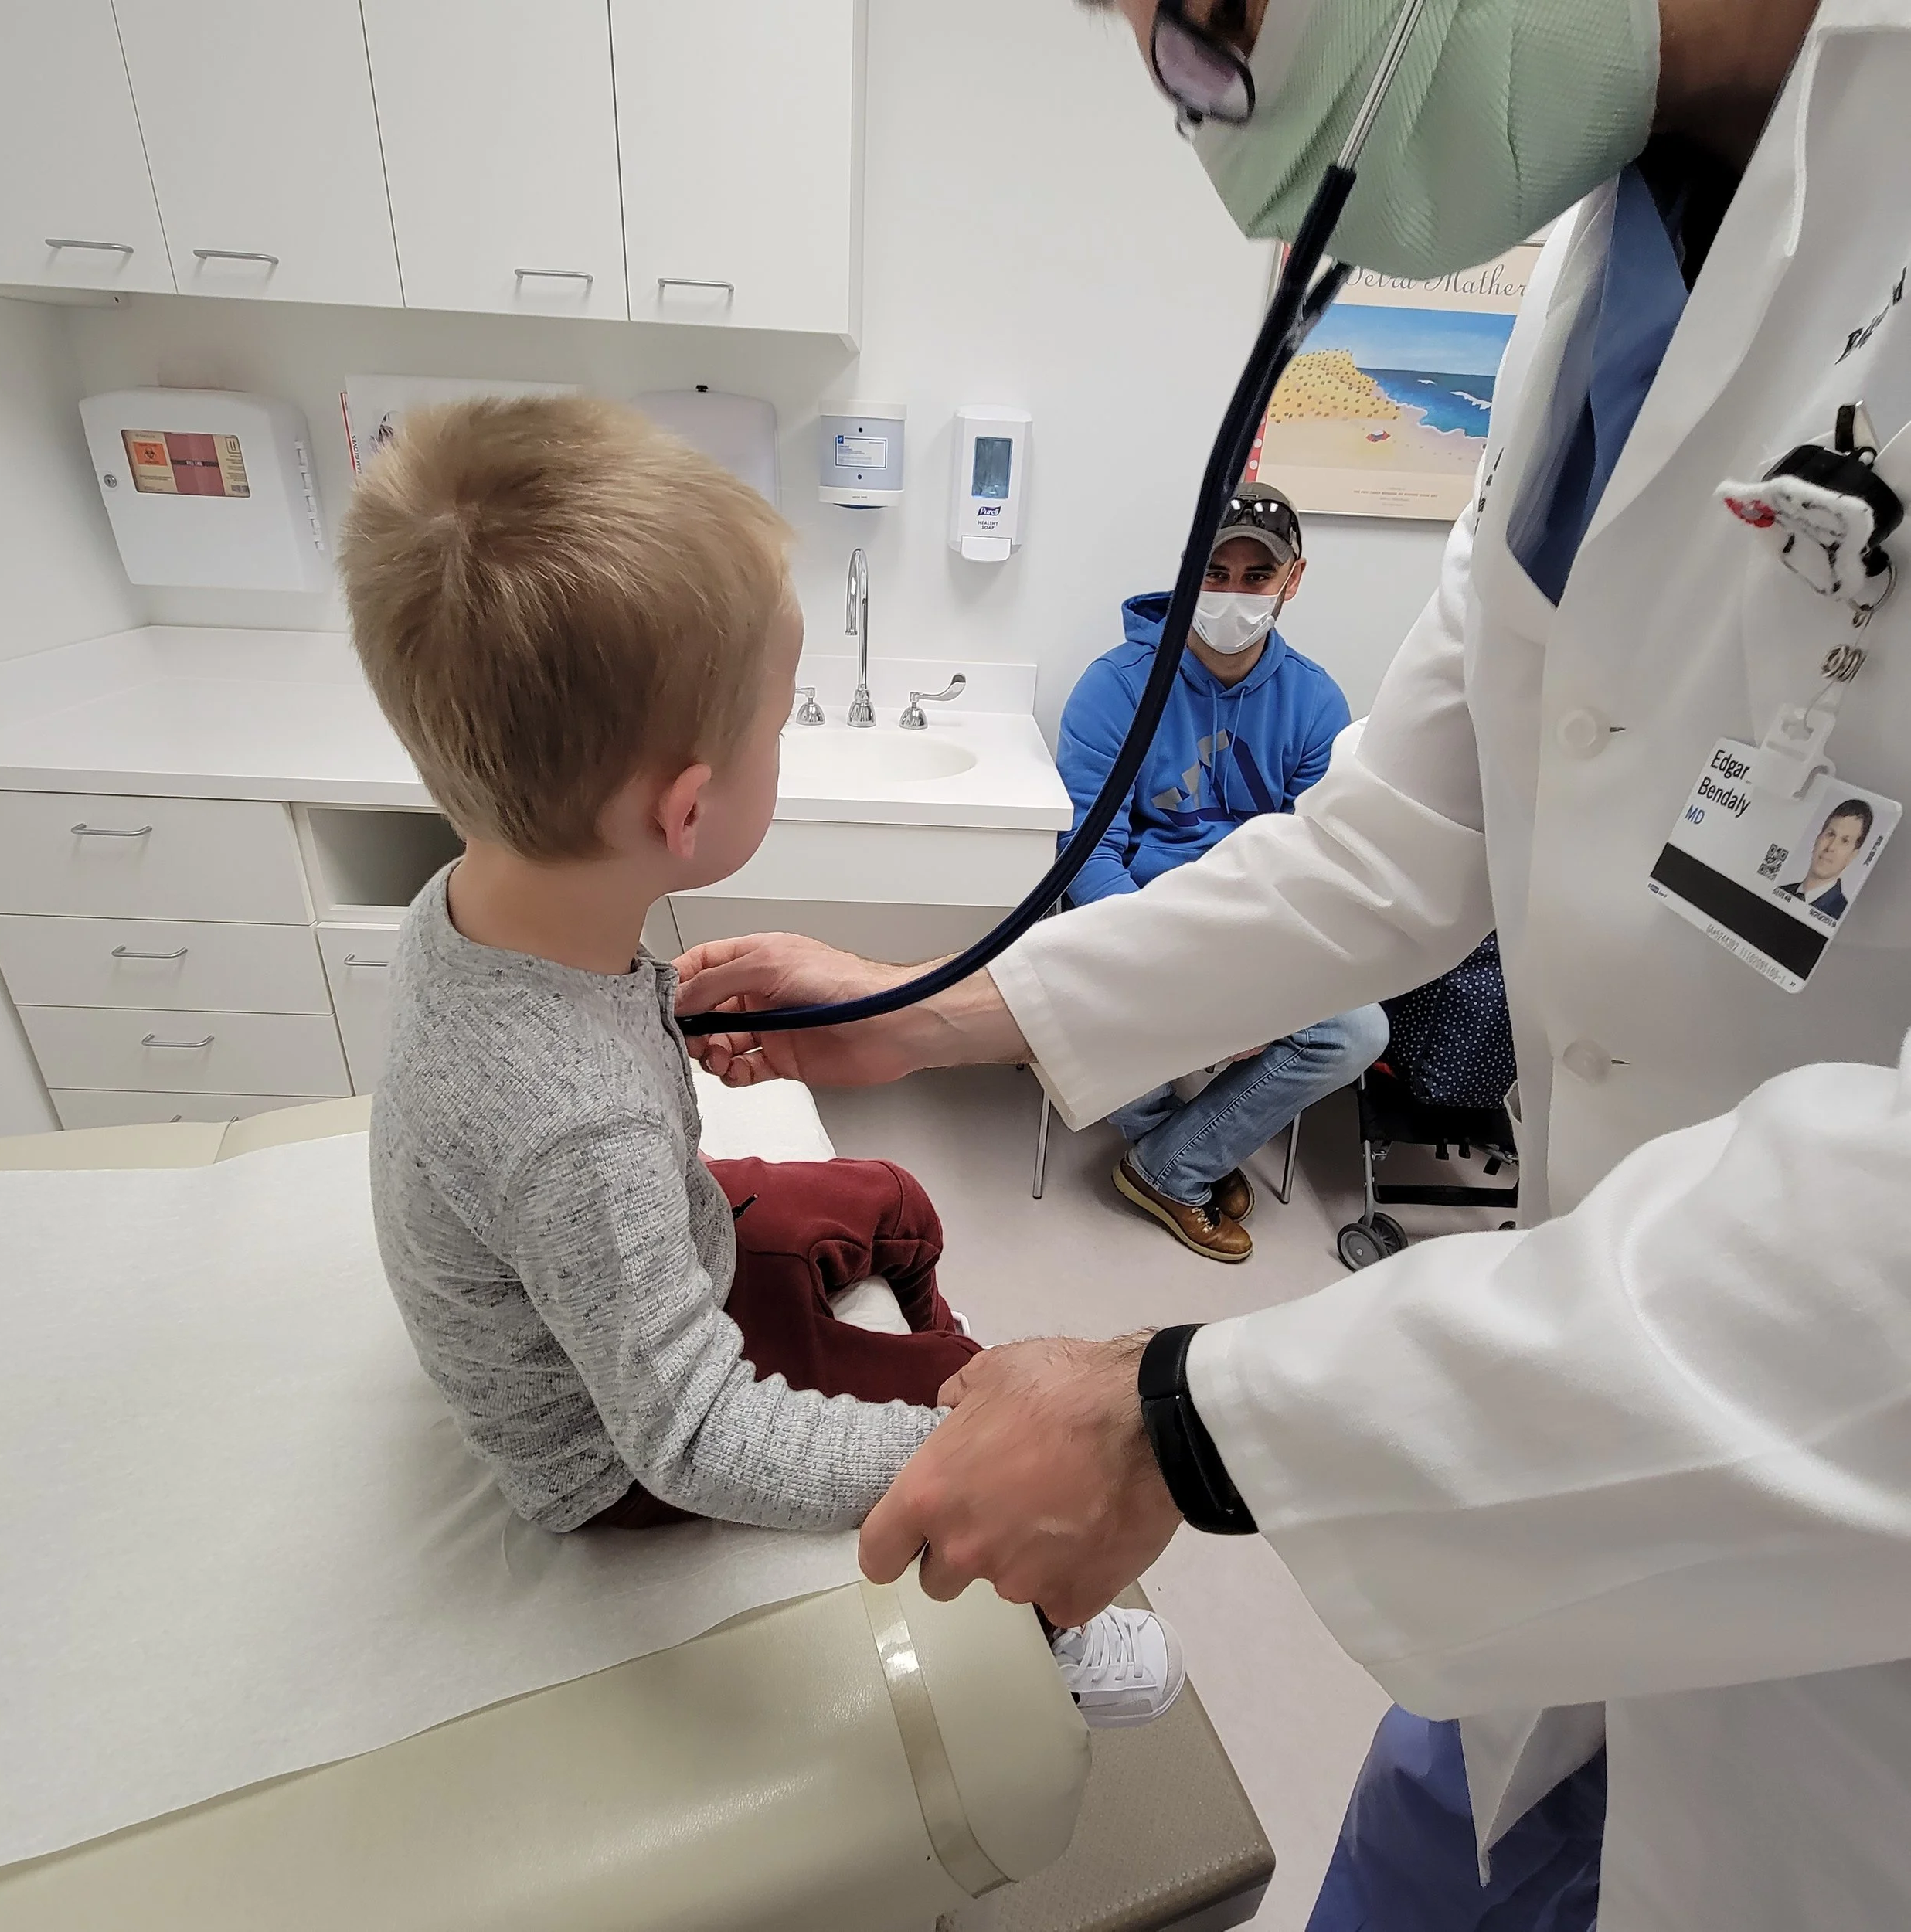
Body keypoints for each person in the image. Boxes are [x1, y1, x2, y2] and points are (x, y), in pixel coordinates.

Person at [672, 0, 1911, 1926]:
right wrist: (938, 1014)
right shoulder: (1605, 270)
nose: (1207, 112)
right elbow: (1396, 839)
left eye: (1212, 17)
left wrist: (1188, 1418)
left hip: (1846, 1647)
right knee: (1429, 1843)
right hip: (1554, 1487)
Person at [338, 396, 1182, 1727]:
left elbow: (547, 1052)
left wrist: (667, 1007)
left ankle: (934, 1347)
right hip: (619, 1444)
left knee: (891, 1198)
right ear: (687, 810)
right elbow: (688, 1441)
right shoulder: (581, 1141)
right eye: (781, 725)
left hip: (653, 1256)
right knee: (1019, 1438)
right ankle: (1055, 1629)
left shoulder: (474, 905)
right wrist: (960, 1447)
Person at [1059, 482, 1387, 1260]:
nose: (1233, 594)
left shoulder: (1314, 701)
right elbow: (1086, 849)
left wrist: (1258, 984)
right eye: (1215, 573)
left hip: (1253, 929)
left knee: (1356, 1029)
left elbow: (1317, 864)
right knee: (1069, 984)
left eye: (1255, 577)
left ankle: (1168, 1164)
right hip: (1140, 918)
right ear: (1185, 572)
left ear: (1291, 581)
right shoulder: (1116, 685)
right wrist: (1174, 964)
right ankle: (1179, 1153)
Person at [1777, 798, 1874, 922]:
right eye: (1830, 834)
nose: (1831, 847)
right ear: (1818, 838)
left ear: (1853, 856)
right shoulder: (1780, 890)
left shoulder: (1841, 917)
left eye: (1845, 841)